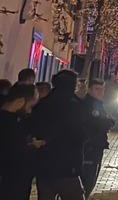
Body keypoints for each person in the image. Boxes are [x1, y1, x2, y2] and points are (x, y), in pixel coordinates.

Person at [29, 70, 90, 200]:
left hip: (44, 163)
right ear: (72, 85)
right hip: (67, 165)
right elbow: (79, 132)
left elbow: (34, 126)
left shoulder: (43, 103)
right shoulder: (75, 105)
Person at [0, 83, 44, 199]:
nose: (29, 111)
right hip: (11, 181)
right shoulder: (8, 122)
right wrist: (32, 146)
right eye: (30, 105)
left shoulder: (17, 119)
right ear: (20, 101)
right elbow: (11, 150)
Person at [81, 79, 114, 197]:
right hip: (89, 147)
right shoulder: (88, 105)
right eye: (97, 89)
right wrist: (108, 122)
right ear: (89, 89)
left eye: (102, 89)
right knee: (87, 180)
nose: (100, 92)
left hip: (95, 146)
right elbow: (98, 123)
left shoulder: (98, 104)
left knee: (90, 179)